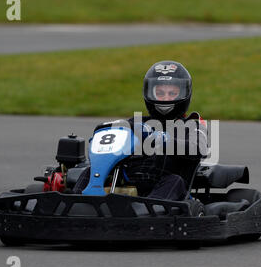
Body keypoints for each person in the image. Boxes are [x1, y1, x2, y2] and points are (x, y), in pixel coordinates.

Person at [75, 61, 207, 201]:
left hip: (163, 185)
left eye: (172, 93)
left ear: (184, 94)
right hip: (126, 180)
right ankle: (74, 203)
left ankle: (150, 211)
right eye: (160, 93)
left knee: (175, 181)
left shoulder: (192, 125)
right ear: (149, 92)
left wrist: (159, 139)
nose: (166, 98)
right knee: (90, 171)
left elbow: (199, 148)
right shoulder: (134, 123)